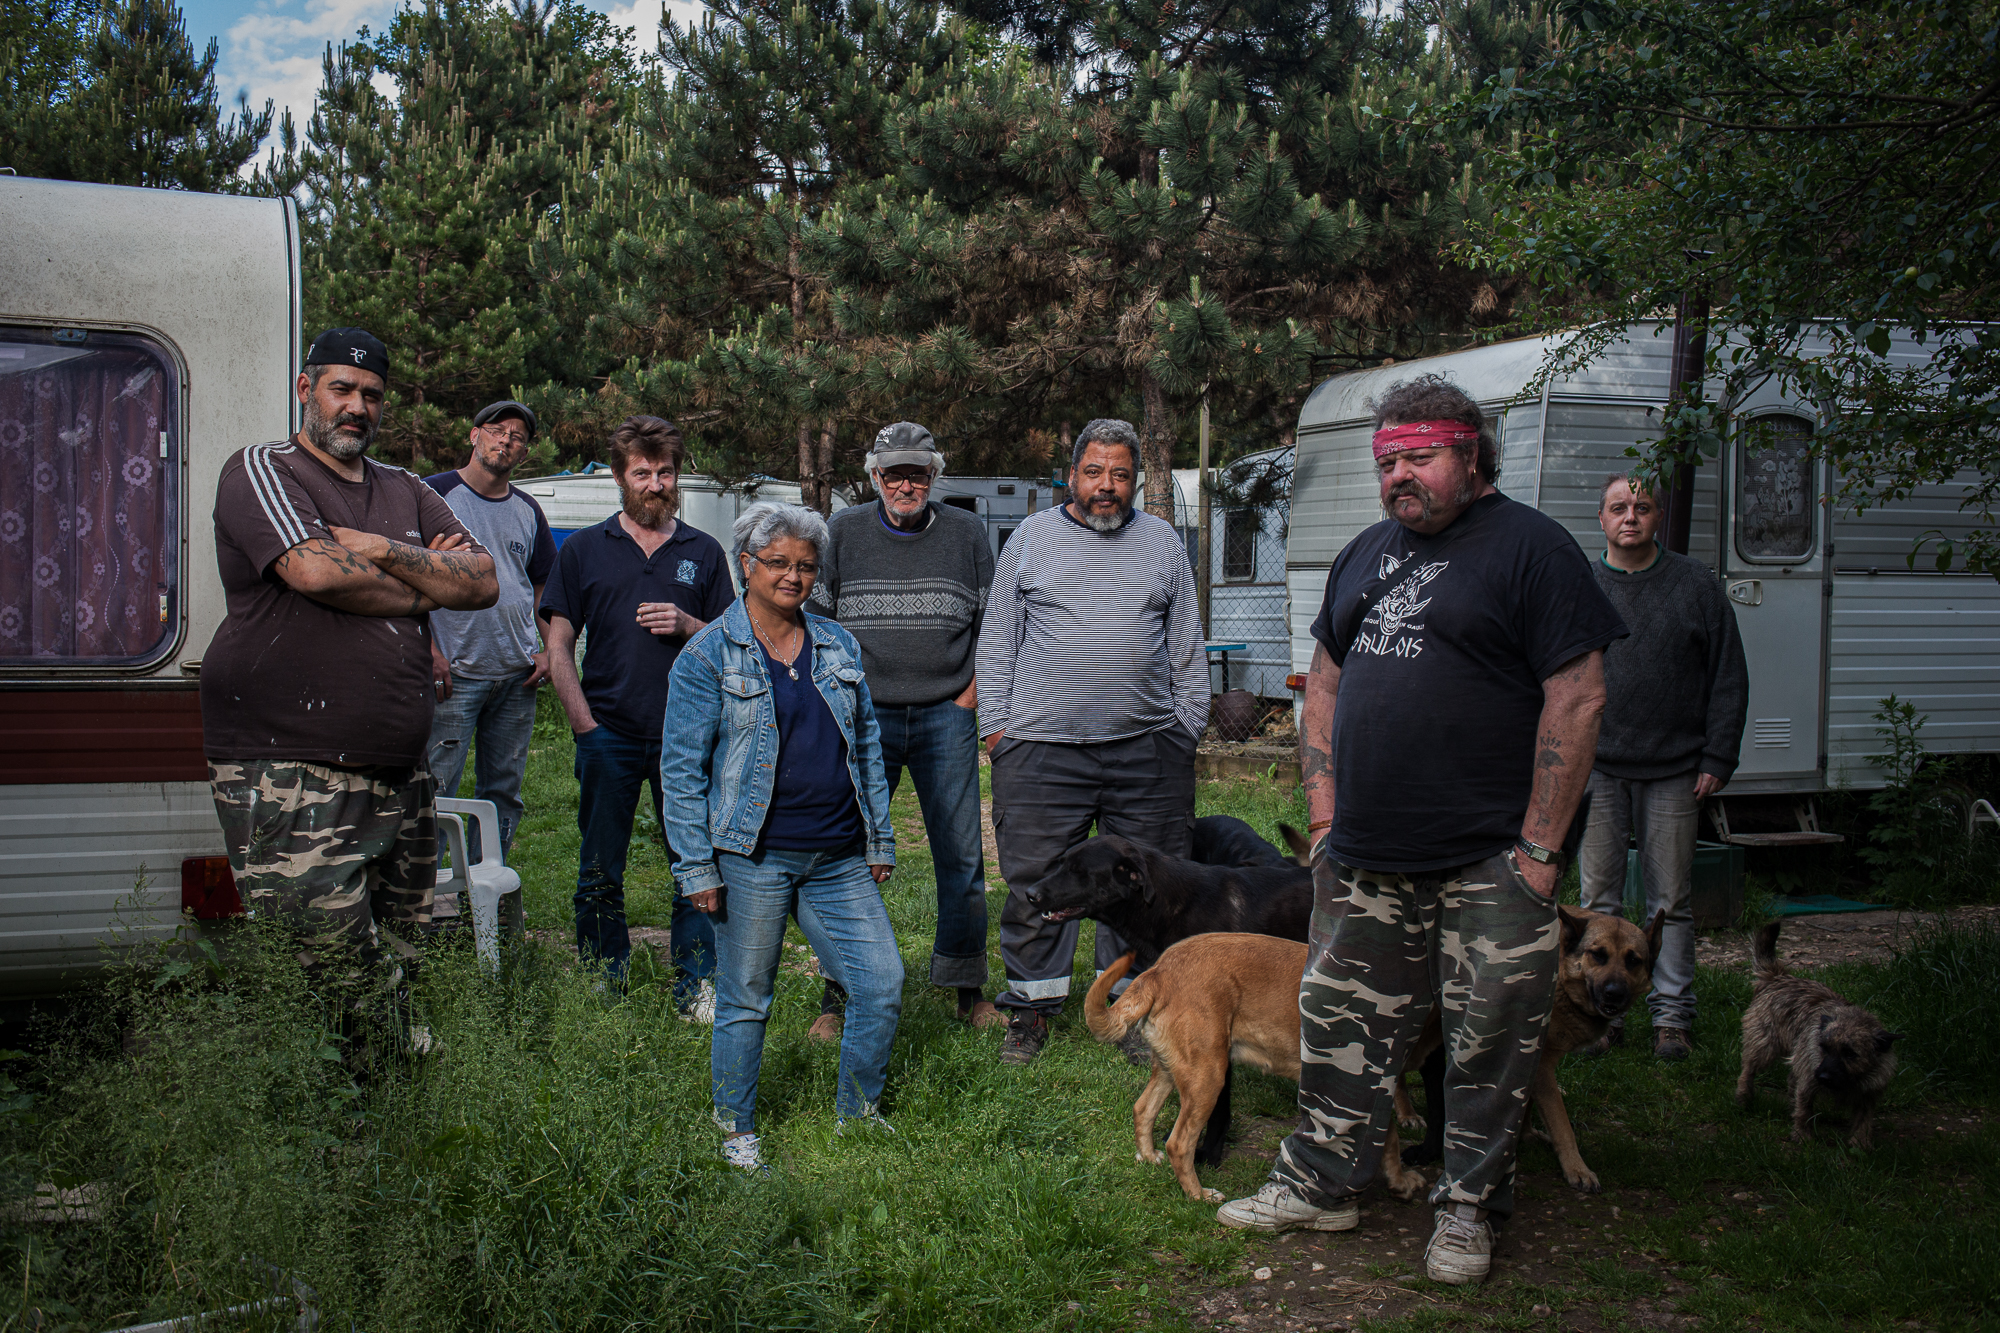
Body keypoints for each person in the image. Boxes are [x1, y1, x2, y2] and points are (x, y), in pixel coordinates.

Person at [1216, 374, 1626, 1289]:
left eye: (1419, 456)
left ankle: (1468, 1208)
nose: (1399, 475)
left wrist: (1541, 850)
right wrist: (1322, 817)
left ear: (1472, 452)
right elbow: (1320, 681)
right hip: (1363, 861)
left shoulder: (1535, 550)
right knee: (1339, 1025)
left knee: (1490, 1039)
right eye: (1386, 459)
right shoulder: (1366, 553)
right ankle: (1323, 1181)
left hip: (1490, 862)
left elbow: (1579, 694)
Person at [201, 327, 498, 1019]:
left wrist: (378, 547)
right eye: (341, 389)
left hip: (401, 772)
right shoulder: (264, 469)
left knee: (401, 957)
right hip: (293, 769)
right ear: (306, 390)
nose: (357, 406)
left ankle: (387, 1109)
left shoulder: (406, 489)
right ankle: (327, 1116)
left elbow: (483, 581)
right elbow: (313, 571)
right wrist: (427, 579)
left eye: (372, 395)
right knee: (329, 968)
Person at [662, 502, 903, 1171]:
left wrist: (879, 839)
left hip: (837, 855)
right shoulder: (707, 654)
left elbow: (867, 745)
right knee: (747, 994)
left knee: (881, 981)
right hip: (751, 857)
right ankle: (736, 1127)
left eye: (805, 565)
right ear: (747, 565)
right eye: (779, 563)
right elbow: (680, 771)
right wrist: (696, 868)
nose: (793, 576)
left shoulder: (837, 644)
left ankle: (859, 1112)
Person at [974, 418, 1208, 1066]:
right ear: (1071, 474)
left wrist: (1187, 726)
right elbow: (997, 641)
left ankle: (1136, 1009)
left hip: (1148, 751)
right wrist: (1000, 733)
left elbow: (1187, 640)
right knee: (1035, 883)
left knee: (1150, 885)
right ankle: (1029, 1009)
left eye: (1121, 474)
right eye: (1095, 471)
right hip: (1042, 751)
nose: (1107, 485)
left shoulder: (1162, 543)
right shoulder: (1030, 539)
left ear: (1136, 479)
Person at [807, 422, 998, 1036]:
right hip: (865, 713)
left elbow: (994, 622)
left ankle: (967, 989)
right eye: (895, 473)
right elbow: (817, 618)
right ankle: (839, 992)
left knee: (962, 855)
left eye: (918, 472)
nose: (906, 483)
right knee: (846, 853)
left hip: (948, 710)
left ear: (934, 476)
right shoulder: (843, 532)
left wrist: (971, 694)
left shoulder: (967, 533)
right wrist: (838, 694)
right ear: (875, 478)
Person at [538, 415, 733, 1006]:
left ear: (678, 479)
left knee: (694, 867)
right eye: (642, 473)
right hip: (611, 735)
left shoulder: (702, 552)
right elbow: (558, 646)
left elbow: (734, 642)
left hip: (689, 738)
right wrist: (585, 728)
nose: (655, 484)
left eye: (665, 473)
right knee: (600, 869)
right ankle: (605, 976)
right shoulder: (586, 551)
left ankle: (695, 984)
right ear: (621, 479)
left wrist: (687, 623)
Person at [1577, 476, 1747, 1062]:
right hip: (1596, 766)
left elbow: (1728, 675)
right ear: (1600, 518)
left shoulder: (1694, 585)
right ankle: (1600, 1015)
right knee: (1597, 899)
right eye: (1619, 508)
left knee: (1668, 900)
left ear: (1658, 518)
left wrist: (1718, 754)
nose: (1631, 517)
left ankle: (1671, 1018)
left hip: (1677, 767)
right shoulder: (1581, 585)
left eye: (1642, 507)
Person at [423, 400, 558, 862]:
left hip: (517, 675)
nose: (506, 440)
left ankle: (486, 896)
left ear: (523, 453)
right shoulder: (432, 495)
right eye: (497, 430)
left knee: (503, 792)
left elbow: (542, 588)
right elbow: (404, 579)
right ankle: (422, 897)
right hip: (454, 674)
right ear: (474, 435)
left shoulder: (528, 510)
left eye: (517, 437)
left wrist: (548, 652)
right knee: (435, 789)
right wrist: (430, 650)